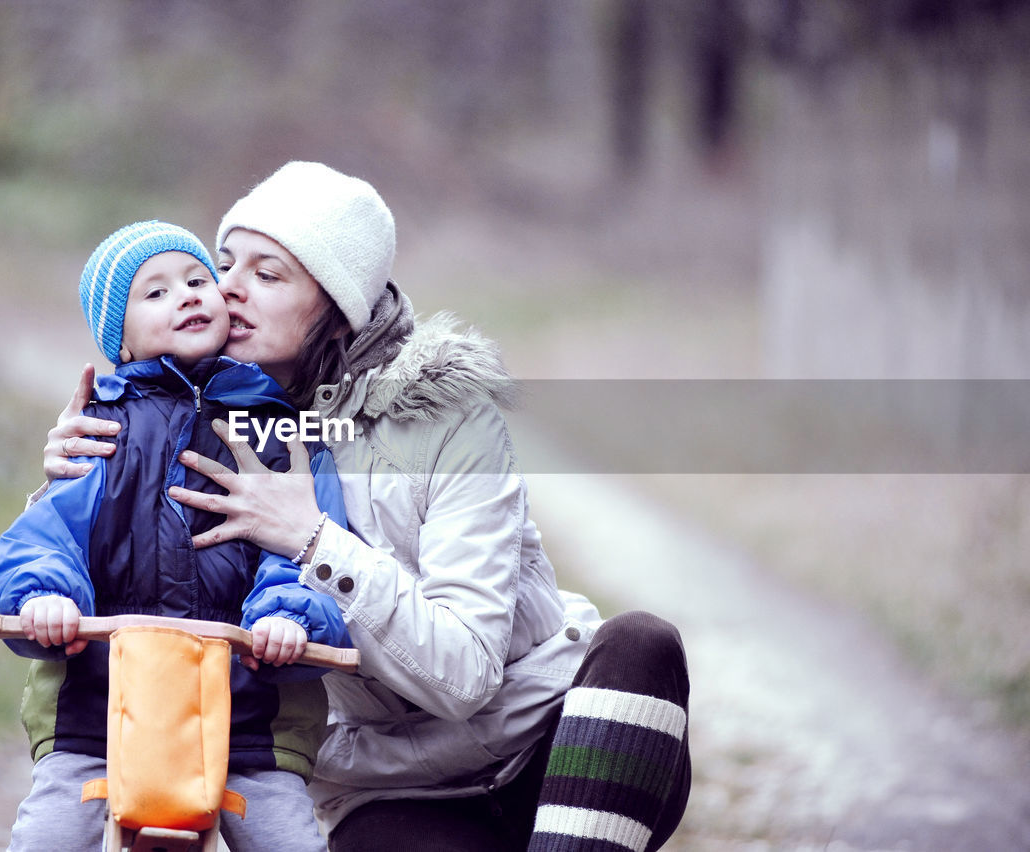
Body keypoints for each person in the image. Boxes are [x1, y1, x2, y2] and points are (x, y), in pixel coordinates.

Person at [42, 163, 692, 851]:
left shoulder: (449, 419)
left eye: (268, 274)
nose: (228, 288)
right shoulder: (204, 428)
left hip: (550, 741)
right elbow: (128, 574)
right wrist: (76, 475)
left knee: (640, 645)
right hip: (393, 790)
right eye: (224, 262)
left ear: (336, 304)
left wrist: (313, 541)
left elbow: (467, 673)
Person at [0, 220, 351, 852]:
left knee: (286, 835)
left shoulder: (279, 429)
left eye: (196, 279)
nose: (185, 295)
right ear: (117, 340)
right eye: (154, 293)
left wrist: (287, 614)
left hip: (247, 719)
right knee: (47, 834)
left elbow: (311, 542)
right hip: (99, 713)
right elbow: (46, 535)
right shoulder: (98, 433)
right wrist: (43, 595)